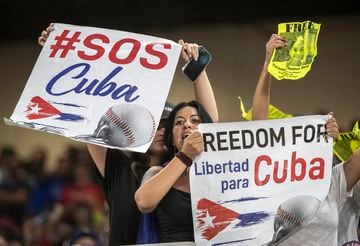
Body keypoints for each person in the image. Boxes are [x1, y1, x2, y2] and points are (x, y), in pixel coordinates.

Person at [38, 23, 219, 244]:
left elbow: (209, 126)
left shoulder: (186, 174)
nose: (161, 131)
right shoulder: (120, 169)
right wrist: (63, 56)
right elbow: (87, 120)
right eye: (154, 125)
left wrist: (198, 69)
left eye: (168, 125)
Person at [251, 33, 360, 246]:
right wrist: (268, 63)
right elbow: (259, 124)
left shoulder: (332, 183)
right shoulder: (270, 176)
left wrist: (332, 141)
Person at [135, 100, 215, 242]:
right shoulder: (156, 172)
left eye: (195, 120)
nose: (187, 125)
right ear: (172, 139)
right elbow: (144, 202)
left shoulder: (223, 175)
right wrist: (185, 156)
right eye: (179, 122)